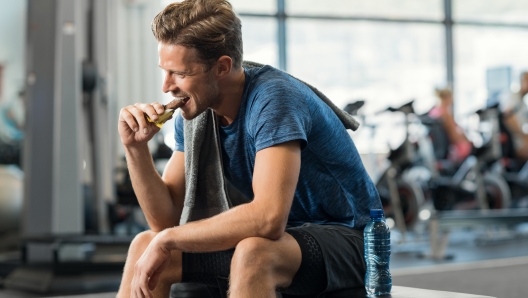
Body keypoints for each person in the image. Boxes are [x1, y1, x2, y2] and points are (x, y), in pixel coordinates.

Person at [117, 0, 381, 297]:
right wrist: (135, 148)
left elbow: (268, 219)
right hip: (288, 238)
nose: (166, 86)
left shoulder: (274, 99)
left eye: (179, 73)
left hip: (355, 239)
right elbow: (164, 221)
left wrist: (168, 240)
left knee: (255, 252)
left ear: (222, 67)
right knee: (144, 245)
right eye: (164, 72)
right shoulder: (195, 113)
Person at [428, 87, 473, 164]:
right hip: (452, 150)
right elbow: (453, 137)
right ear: (448, 98)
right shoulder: (445, 114)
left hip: (437, 150)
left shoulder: (434, 111)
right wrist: (467, 140)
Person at [501, 72, 528, 161]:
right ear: (521, 81)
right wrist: (523, 137)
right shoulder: (513, 97)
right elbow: (508, 117)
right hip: (514, 143)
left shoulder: (523, 103)